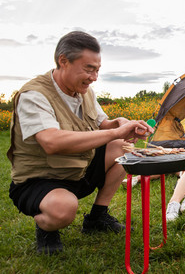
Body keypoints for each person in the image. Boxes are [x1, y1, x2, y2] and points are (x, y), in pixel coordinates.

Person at [7, 31, 153, 255]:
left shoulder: (85, 91)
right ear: (63, 61)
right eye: (88, 69)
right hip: (40, 179)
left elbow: (103, 124)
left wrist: (121, 124)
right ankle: (47, 227)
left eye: (97, 69)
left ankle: (96, 217)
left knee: (123, 147)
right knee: (63, 209)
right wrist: (116, 132)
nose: (94, 77)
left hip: (78, 170)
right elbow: (51, 142)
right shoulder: (34, 95)